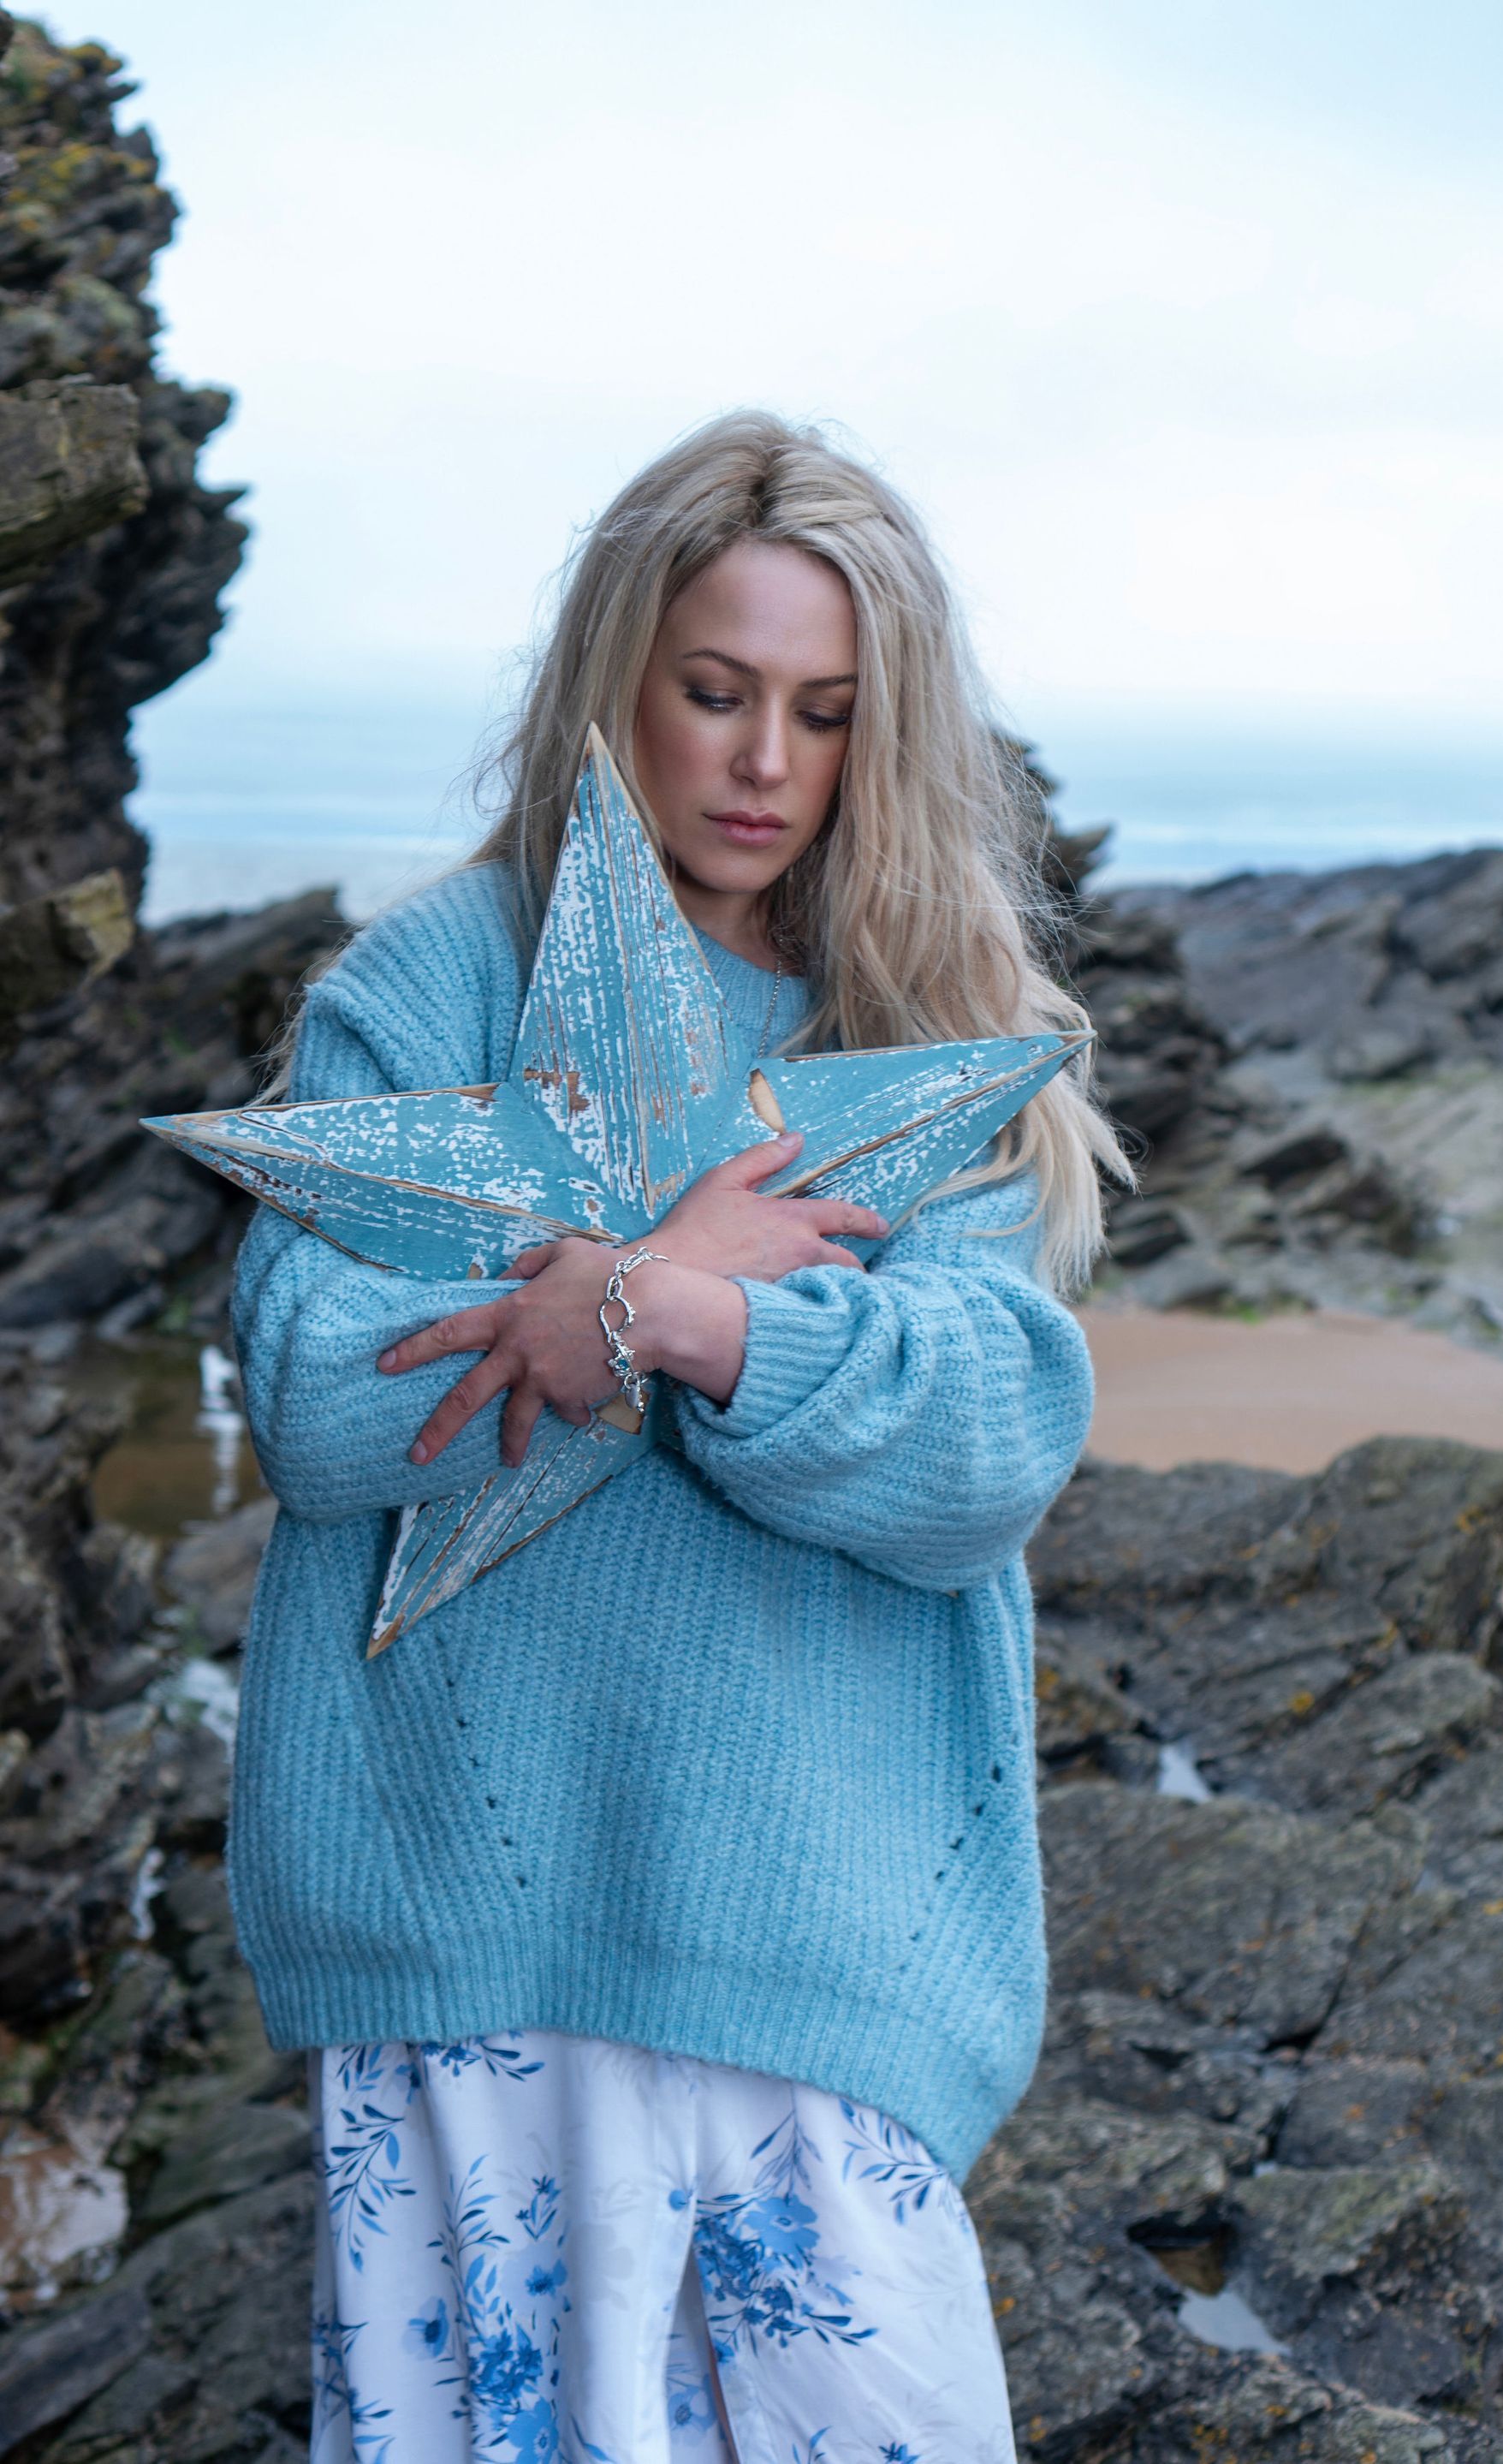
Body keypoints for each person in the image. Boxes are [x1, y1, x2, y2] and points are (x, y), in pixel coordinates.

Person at [229, 411, 1132, 2463]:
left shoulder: (917, 1029)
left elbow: (989, 1437)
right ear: (616, 669)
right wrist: (617, 1286)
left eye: (825, 711)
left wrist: (665, 1309)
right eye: (716, 690)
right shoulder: (437, 982)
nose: (763, 762)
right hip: (464, 1931)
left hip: (813, 1936)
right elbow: (310, 1389)